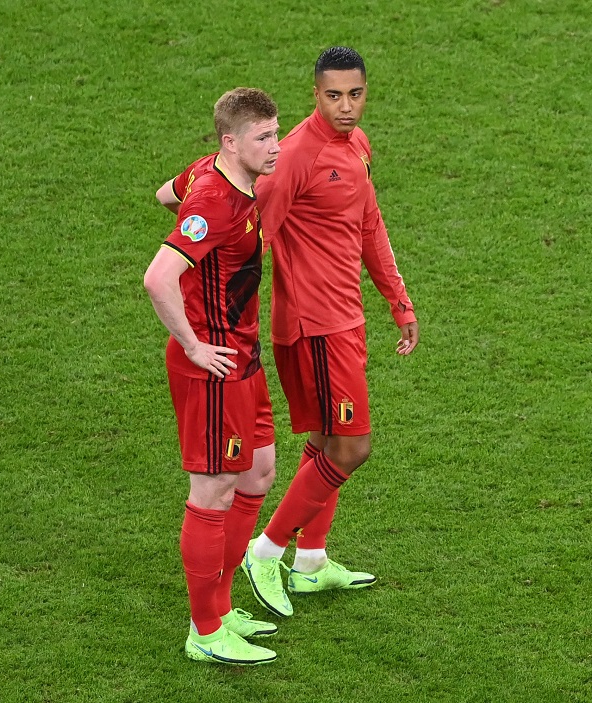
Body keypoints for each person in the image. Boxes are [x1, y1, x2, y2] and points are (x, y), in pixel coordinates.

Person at [242, 46, 419, 618]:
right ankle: (265, 551)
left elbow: (368, 224)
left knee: (324, 442)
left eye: (356, 94)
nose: (347, 106)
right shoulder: (295, 156)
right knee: (351, 446)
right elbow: (249, 234)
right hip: (315, 327)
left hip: (346, 320)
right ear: (314, 94)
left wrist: (398, 299)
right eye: (334, 95)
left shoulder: (358, 146)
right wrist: (225, 320)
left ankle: (311, 562)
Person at [144, 87, 282, 665]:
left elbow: (162, 194)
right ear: (231, 141)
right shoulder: (215, 202)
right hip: (214, 366)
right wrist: (195, 345)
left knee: (259, 471)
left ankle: (223, 608)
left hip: (243, 356)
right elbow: (158, 278)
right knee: (214, 490)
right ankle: (205, 631)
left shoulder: (214, 175)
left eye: (276, 133)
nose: (275, 147)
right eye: (264, 138)